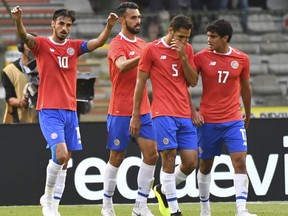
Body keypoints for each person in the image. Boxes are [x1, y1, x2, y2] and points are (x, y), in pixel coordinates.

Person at [11, 6, 118, 216]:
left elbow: (97, 42)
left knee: (66, 160)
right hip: (49, 109)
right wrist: (18, 20)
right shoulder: (41, 44)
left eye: (68, 25)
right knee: (60, 155)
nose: (64, 28)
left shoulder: (74, 47)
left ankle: (54, 207)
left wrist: (109, 26)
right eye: (61, 23)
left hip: (70, 110)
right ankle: (47, 199)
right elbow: (25, 37)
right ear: (53, 23)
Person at [130, 15, 199, 216]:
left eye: (187, 38)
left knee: (190, 162)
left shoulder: (187, 50)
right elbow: (140, 83)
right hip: (162, 112)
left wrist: (184, 56)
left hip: (184, 113)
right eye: (180, 36)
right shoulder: (151, 49)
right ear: (170, 30)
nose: (184, 41)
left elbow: (193, 82)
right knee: (168, 157)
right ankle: (175, 210)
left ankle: (161, 189)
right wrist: (135, 114)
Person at [193, 19, 256, 216]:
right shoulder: (200, 57)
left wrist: (248, 111)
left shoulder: (242, 59)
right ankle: (205, 208)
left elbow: (246, 88)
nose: (208, 40)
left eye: (213, 36)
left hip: (233, 119)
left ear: (225, 38)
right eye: (208, 36)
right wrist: (192, 111)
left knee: (240, 161)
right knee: (205, 165)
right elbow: (187, 84)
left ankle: (241, 210)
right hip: (208, 121)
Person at [102, 2, 158, 216]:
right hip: (120, 111)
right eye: (133, 17)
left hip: (144, 110)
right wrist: (145, 56)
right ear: (122, 20)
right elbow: (122, 65)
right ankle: (107, 205)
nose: (138, 21)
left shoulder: (144, 44)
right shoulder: (117, 44)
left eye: (139, 17)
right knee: (117, 157)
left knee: (152, 154)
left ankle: (140, 206)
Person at [1, 37, 38, 123]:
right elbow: (9, 98)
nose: (32, 48)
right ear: (21, 47)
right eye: (29, 45)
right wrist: (21, 102)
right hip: (20, 122)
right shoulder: (9, 70)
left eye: (35, 45)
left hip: (42, 122)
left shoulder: (45, 69)